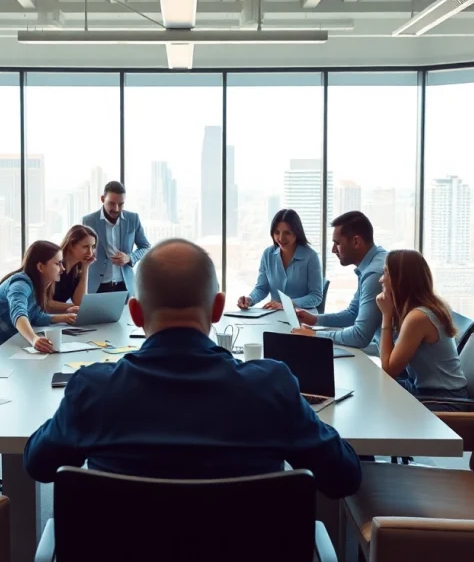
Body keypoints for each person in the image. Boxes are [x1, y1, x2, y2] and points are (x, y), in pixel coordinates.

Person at [23, 239, 362, 499]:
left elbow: (38, 464)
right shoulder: (272, 385)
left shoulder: (92, 389)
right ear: (217, 308)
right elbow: (343, 477)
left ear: (137, 315)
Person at [376, 250, 470, 411]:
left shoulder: (418, 317)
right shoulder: (424, 309)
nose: (381, 279)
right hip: (425, 390)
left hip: (444, 400)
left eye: (386, 273)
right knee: (371, 390)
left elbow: (389, 370)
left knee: (376, 404)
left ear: (400, 280)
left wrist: (386, 316)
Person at [294, 211, 387, 350]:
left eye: (337, 243)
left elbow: (360, 336)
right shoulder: (377, 257)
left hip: (401, 367)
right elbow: (353, 313)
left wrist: (315, 335)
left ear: (356, 241)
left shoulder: (374, 274)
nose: (333, 250)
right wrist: (315, 320)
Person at [0, 241, 78, 353]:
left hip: (7, 344)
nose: (63, 269)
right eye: (58, 264)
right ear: (41, 267)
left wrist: (65, 317)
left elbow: (35, 316)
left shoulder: (38, 285)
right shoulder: (20, 284)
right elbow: (18, 312)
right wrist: (34, 339)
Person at [237, 209, 323, 311]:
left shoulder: (311, 257)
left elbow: (316, 296)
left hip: (304, 316)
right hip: (274, 315)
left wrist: (287, 304)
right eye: (277, 232)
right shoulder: (268, 254)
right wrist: (249, 300)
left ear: (297, 233)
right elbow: (262, 288)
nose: (281, 238)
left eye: (287, 233)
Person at [81, 181, 151, 294]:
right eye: (112, 203)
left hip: (125, 285)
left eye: (121, 204)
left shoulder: (133, 219)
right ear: (103, 199)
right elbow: (80, 249)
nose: (117, 209)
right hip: (96, 286)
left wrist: (130, 258)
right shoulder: (88, 221)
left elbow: (145, 246)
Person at [49, 224, 98, 312]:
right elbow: (43, 303)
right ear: (71, 245)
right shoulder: (54, 264)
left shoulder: (77, 269)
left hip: (58, 319)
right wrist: (73, 306)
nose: (90, 253)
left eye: (93, 247)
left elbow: (80, 301)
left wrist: (85, 268)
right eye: (85, 247)